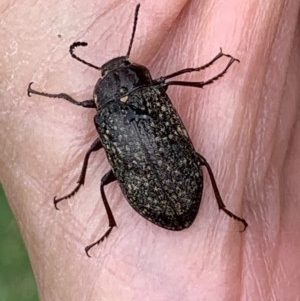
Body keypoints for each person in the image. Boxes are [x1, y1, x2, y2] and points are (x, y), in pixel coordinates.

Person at [0, 1, 299, 300]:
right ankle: (219, 207)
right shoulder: (149, 94)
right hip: (177, 184)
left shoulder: (106, 116)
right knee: (202, 161)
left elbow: (92, 137)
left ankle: (104, 214)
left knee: (108, 178)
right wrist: (201, 75)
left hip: (156, 194)